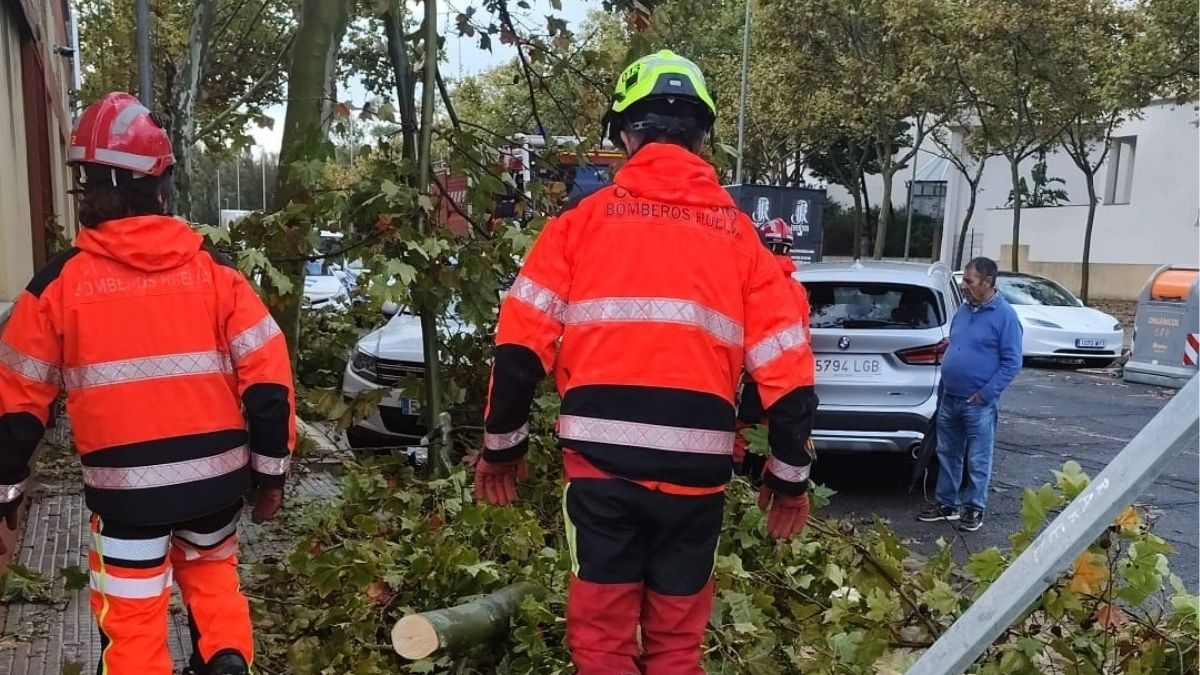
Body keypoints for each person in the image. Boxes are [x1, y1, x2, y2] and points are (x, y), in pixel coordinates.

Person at [472, 51, 819, 674]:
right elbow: (787, 372)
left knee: (603, 646)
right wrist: (789, 477)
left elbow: (520, 346)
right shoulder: (744, 241)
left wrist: (503, 447)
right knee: (677, 648)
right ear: (703, 137)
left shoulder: (578, 226)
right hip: (697, 475)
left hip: (601, 469)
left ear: (626, 135)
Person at [0, 92, 294, 675]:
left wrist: (5, 489)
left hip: (126, 499)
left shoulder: (55, 285)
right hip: (214, 489)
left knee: (133, 623)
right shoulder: (218, 275)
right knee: (213, 583)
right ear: (160, 187)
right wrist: (271, 476)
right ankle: (229, 659)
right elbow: (268, 384)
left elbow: (18, 401)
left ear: (85, 189)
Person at [919, 256, 1022, 532]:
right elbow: (955, 348)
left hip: (978, 402)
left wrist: (986, 393)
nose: (964, 286)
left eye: (969, 281)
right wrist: (943, 391)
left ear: (988, 283)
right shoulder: (964, 311)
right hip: (950, 397)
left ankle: (974, 509)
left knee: (978, 457)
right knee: (947, 452)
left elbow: (1012, 362)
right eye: (963, 280)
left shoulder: (1005, 316)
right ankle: (947, 504)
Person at [734, 218, 813, 479]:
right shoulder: (797, 290)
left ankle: (737, 483)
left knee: (742, 433)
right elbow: (803, 339)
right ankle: (769, 482)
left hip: (753, 379)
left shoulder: (754, 282)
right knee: (775, 435)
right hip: (788, 382)